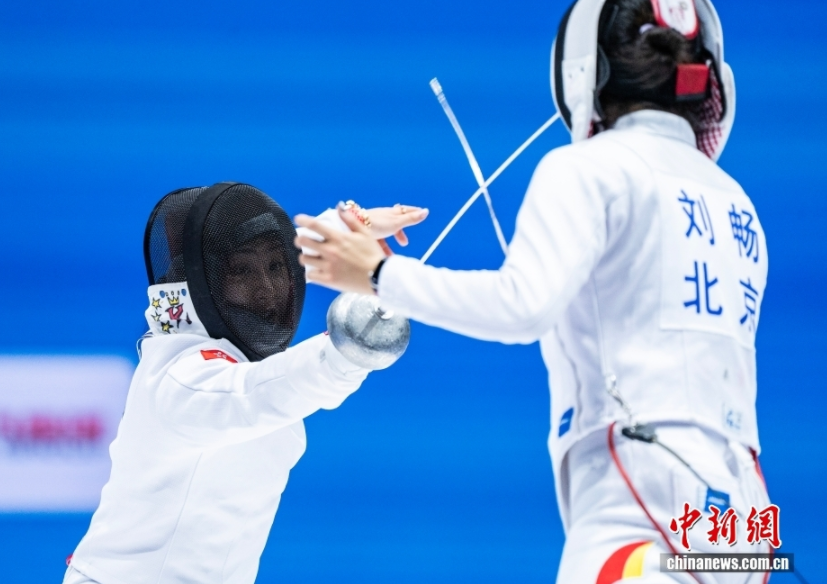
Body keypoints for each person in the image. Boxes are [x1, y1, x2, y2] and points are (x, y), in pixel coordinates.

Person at [294, 0, 775, 581]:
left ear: (580, 68)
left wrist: (378, 275)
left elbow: (522, 308)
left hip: (641, 498)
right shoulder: (735, 201)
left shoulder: (588, 168)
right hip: (743, 518)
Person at [63, 182, 427, 584]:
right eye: (241, 271)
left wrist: (345, 229)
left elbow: (283, 266)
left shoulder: (232, 350)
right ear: (204, 283)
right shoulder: (181, 378)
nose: (268, 290)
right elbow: (261, 391)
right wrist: (346, 350)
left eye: (276, 268)